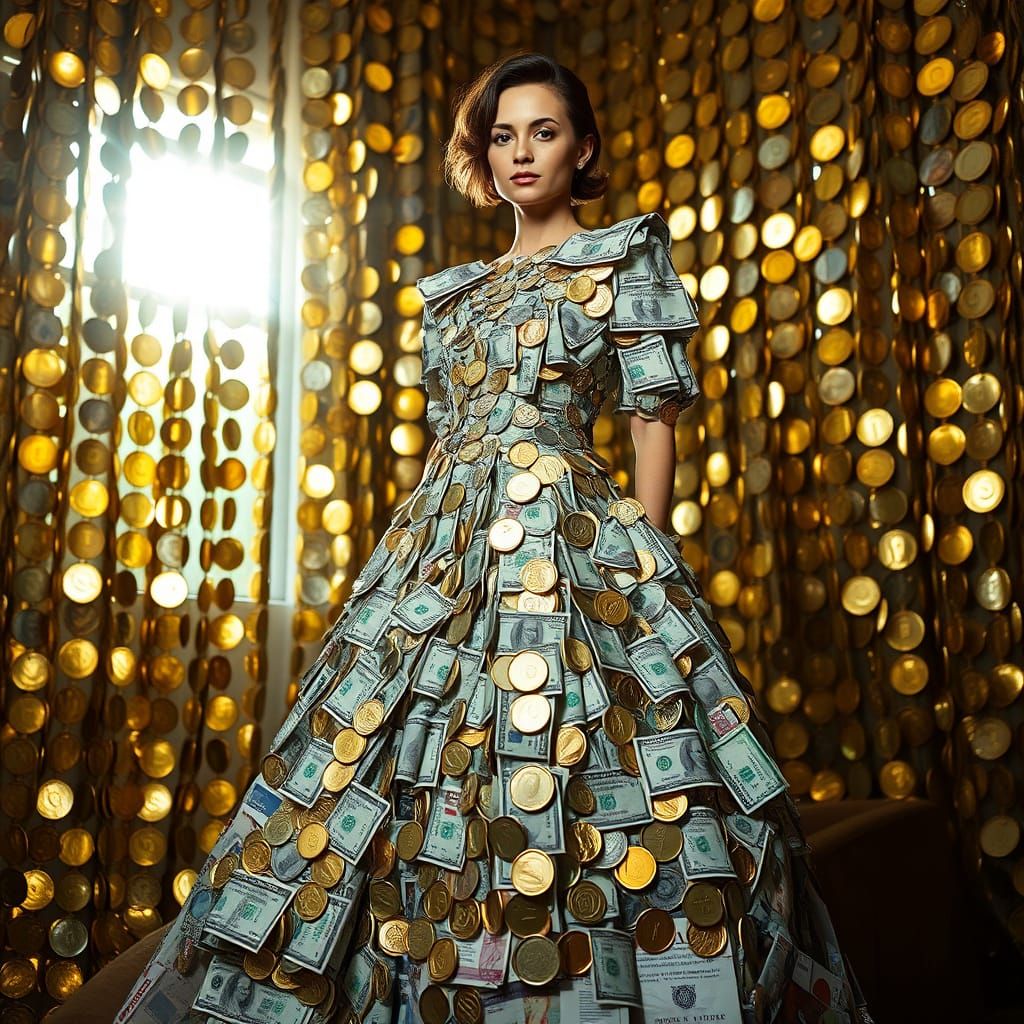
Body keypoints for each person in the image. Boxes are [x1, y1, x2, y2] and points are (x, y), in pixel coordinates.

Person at [114, 51, 873, 1024]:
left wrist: (646, 545)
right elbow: (447, 435)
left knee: (590, 752)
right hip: (442, 538)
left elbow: (652, 413)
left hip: (574, 535)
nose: (521, 152)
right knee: (400, 752)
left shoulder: (620, 253)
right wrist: (411, 555)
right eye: (503, 135)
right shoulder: (455, 292)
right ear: (486, 152)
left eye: (543, 131)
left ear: (581, 146)